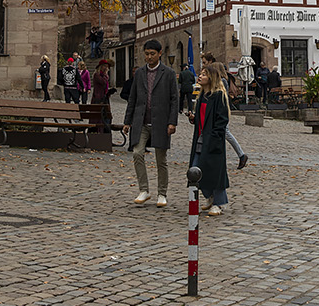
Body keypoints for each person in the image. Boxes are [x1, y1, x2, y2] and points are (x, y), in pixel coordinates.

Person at [122, 39, 179, 207]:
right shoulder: (139, 73)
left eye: (152, 54)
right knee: (137, 153)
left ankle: (162, 193)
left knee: (161, 160)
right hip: (141, 121)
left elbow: (174, 99)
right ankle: (144, 189)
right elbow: (132, 99)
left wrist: (172, 122)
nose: (149, 57)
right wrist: (127, 121)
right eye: (146, 54)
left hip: (161, 122)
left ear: (160, 54)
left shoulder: (168, 73)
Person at [190, 63, 232, 216]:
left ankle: (219, 203)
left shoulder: (219, 95)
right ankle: (209, 196)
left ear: (211, 78)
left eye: (204, 74)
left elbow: (222, 120)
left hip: (213, 140)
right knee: (195, 170)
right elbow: (202, 119)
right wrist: (193, 119)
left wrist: (214, 137)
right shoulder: (202, 96)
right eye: (200, 73)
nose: (200, 76)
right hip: (201, 139)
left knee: (215, 172)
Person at [201, 52, 248, 169]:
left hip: (222, 111)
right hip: (220, 110)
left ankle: (241, 155)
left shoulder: (222, 82)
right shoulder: (222, 81)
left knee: (225, 132)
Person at [91, 58, 114, 132]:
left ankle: (105, 132)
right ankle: (97, 132)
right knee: (98, 118)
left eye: (107, 67)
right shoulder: (97, 75)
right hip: (98, 98)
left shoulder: (104, 76)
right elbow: (103, 82)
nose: (106, 68)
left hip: (104, 98)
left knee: (106, 116)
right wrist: (105, 75)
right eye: (104, 66)